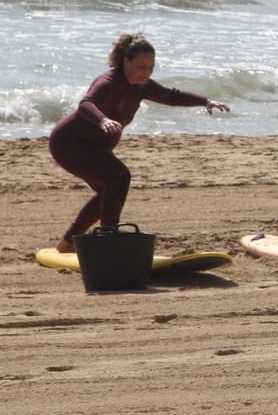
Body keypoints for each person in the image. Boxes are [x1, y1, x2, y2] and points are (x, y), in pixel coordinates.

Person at [48, 33, 230, 253]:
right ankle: (108, 240)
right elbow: (86, 103)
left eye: (151, 67)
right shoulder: (108, 83)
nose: (146, 72)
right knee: (118, 178)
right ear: (126, 61)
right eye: (141, 66)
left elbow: (170, 96)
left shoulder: (141, 85)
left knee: (111, 191)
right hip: (70, 143)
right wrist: (103, 120)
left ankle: (68, 243)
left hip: (95, 147)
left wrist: (205, 101)